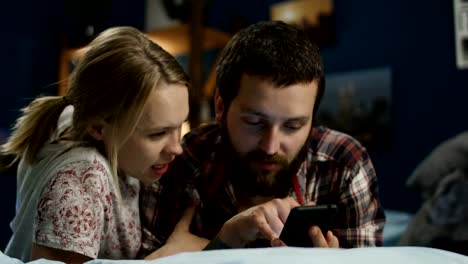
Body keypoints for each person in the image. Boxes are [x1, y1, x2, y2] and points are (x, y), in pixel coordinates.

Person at [139, 20, 386, 258]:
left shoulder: (344, 165)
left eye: (293, 126)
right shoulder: (184, 159)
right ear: (221, 106)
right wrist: (220, 245)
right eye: (255, 122)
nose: (270, 146)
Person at [1, 26, 190, 262]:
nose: (176, 148)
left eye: (179, 125)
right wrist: (172, 253)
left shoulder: (71, 117)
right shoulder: (81, 179)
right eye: (158, 133)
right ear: (98, 127)